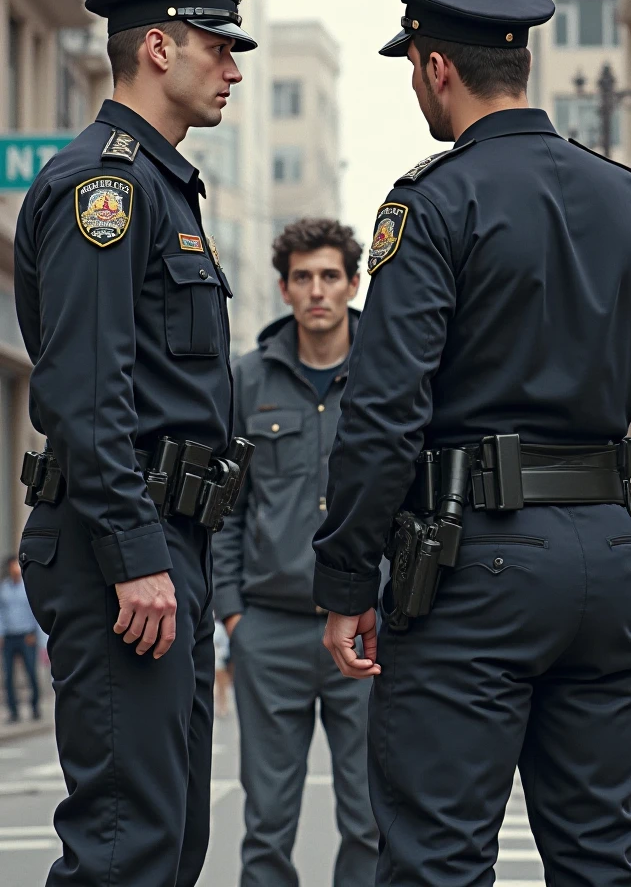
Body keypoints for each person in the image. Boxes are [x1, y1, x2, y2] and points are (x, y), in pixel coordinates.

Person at [313, 0, 631, 887]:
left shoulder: (433, 203)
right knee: (604, 855)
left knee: (438, 858)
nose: (414, 86)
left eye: (412, 67)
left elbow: (386, 408)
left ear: (437, 67)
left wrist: (347, 574)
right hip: (608, 556)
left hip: (468, 564)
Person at [14, 0, 257, 887]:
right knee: (127, 847)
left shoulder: (162, 187)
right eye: (220, 46)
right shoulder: (103, 190)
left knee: (171, 838)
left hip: (166, 543)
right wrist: (134, 553)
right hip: (119, 547)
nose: (232, 68)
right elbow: (86, 391)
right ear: (158, 48)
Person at [213, 218, 378, 887]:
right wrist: (233, 616)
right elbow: (227, 506)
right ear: (284, 288)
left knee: (370, 817)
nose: (318, 291)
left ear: (353, 283)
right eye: (303, 277)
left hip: (363, 629)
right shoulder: (246, 380)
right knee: (268, 822)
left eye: (330, 276)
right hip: (270, 630)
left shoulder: (385, 374)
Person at [0, 555, 41, 723]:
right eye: (11, 567)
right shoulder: (4, 588)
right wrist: (1, 633)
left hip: (27, 636)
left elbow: (36, 611)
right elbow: (1, 613)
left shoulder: (28, 587)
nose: (14, 569)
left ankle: (34, 707)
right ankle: (13, 711)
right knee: (8, 676)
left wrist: (34, 633)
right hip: (9, 637)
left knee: (31, 672)